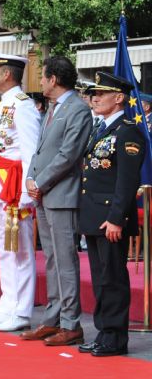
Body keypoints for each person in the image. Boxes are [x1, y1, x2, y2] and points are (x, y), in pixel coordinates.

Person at [22, 56, 92, 345]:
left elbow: (69, 154)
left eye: (43, 76)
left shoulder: (77, 109)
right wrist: (30, 178)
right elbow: (40, 151)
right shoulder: (52, 108)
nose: (40, 82)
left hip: (62, 193)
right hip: (45, 193)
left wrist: (40, 181)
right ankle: (52, 318)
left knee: (65, 260)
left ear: (53, 79)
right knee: (51, 259)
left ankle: (71, 322)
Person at [77, 72, 143, 357]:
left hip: (110, 217)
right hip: (94, 215)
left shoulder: (127, 131)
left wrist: (117, 217)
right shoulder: (100, 128)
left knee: (112, 278)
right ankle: (104, 333)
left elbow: (127, 181)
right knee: (101, 277)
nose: (95, 98)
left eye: (102, 94)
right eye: (94, 93)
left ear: (118, 98)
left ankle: (115, 338)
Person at [0, 52, 40, 332]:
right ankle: (7, 305)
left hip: (15, 187)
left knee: (21, 251)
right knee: (5, 251)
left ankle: (22, 310)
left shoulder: (22, 106)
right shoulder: (3, 104)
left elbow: (29, 151)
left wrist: (28, 192)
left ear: (7, 74)